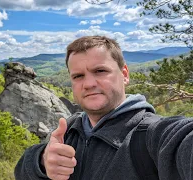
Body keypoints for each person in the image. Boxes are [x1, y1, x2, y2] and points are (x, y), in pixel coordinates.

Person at [14, 35, 193, 180]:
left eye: (100, 71)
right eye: (78, 76)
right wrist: (43, 161)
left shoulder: (153, 135)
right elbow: (20, 171)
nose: (89, 84)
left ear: (124, 75)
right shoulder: (69, 130)